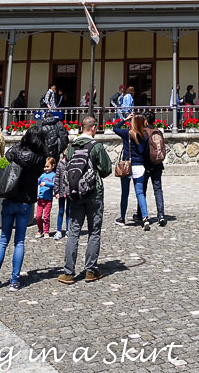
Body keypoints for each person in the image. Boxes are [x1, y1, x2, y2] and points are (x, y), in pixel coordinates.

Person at [0, 125, 46, 291]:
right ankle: (14, 281)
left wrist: (21, 143)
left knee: (3, 240)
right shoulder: (39, 158)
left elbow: (7, 154)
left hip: (10, 198)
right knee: (19, 241)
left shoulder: (15, 152)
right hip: (25, 202)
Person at [58, 115, 112, 284]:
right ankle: (91, 270)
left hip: (74, 194)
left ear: (82, 128)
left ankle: (68, 272)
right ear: (93, 128)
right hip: (94, 194)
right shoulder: (97, 147)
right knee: (94, 232)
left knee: (73, 232)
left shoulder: (71, 147)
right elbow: (106, 169)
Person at [113, 113, 152, 229]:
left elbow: (115, 128)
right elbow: (144, 151)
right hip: (139, 166)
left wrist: (125, 119)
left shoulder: (127, 134)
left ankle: (122, 218)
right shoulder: (144, 135)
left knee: (124, 194)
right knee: (140, 193)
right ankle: (145, 217)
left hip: (127, 166)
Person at [134, 113, 167, 227]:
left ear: (145, 121)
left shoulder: (144, 132)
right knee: (158, 189)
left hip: (146, 165)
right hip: (158, 164)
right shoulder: (158, 131)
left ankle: (140, 213)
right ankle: (161, 215)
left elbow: (142, 150)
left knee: (142, 190)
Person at [34, 156, 56, 238]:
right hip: (40, 198)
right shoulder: (42, 175)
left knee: (46, 216)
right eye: (45, 167)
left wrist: (46, 183)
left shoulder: (53, 175)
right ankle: (40, 229)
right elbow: (37, 182)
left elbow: (54, 184)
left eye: (48, 166)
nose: (45, 168)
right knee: (38, 216)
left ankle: (46, 230)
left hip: (48, 199)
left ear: (53, 166)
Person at [53, 152, 70, 240]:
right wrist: (56, 191)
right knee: (61, 211)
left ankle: (68, 230)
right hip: (61, 191)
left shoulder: (71, 163)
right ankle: (59, 230)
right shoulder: (60, 164)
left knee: (69, 211)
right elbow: (57, 178)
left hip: (69, 191)